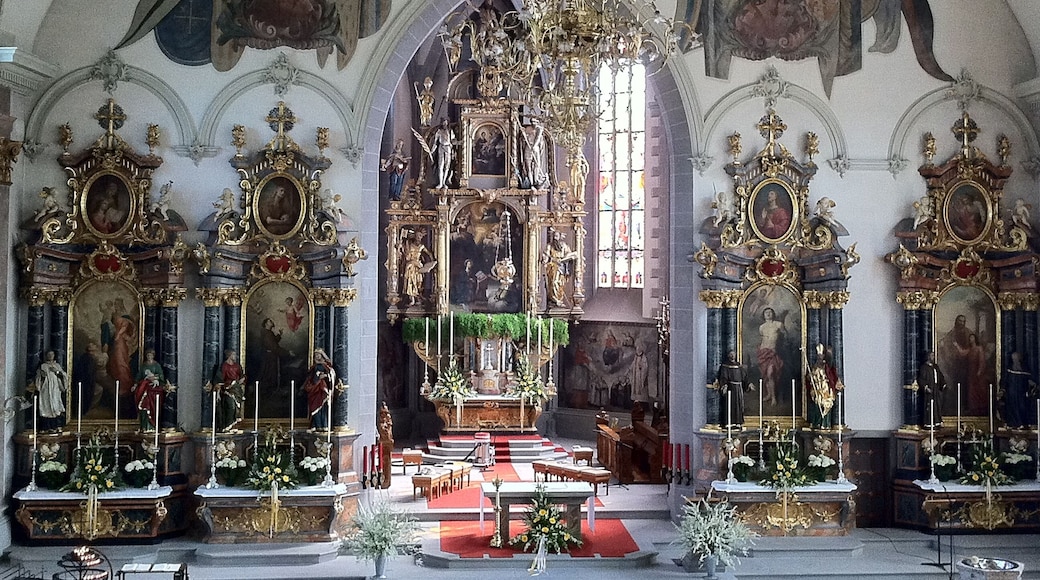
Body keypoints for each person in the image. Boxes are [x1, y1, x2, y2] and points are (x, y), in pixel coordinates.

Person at [806, 344, 841, 429]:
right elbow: (810, 377)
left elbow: (831, 375)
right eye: (818, 357)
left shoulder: (826, 367)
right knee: (817, 404)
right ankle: (817, 422)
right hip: (818, 388)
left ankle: (825, 424)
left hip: (825, 388)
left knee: (826, 404)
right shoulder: (815, 367)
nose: (820, 359)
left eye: (821, 357)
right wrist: (810, 376)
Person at [107, 298, 136, 402]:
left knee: (121, 362)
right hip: (116, 341)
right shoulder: (114, 314)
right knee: (114, 362)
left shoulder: (125, 316)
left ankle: (125, 385)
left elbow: (125, 326)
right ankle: (118, 383)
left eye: (117, 304)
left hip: (121, 341)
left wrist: (118, 335)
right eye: (115, 304)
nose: (116, 306)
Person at [541, 228, 577, 307]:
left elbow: (569, 254)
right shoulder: (550, 246)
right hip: (553, 267)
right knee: (554, 282)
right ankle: (554, 299)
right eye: (554, 236)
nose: (555, 238)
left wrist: (567, 257)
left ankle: (559, 299)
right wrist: (545, 259)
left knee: (560, 283)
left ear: (560, 237)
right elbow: (546, 256)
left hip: (562, 267)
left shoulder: (564, 246)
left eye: (556, 236)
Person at [212, 349, 245, 432]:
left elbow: (241, 375)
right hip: (228, 390)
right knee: (231, 406)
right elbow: (220, 379)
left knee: (237, 408)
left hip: (237, 390)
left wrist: (242, 379)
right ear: (229, 356)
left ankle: (234, 426)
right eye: (233, 355)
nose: (235, 356)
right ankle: (227, 425)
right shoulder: (224, 366)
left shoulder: (237, 366)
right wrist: (220, 385)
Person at [757, 307, 784, 407]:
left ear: (773, 314)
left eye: (770, 312)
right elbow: (762, 339)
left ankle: (773, 398)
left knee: (770, 373)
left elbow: (784, 336)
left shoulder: (778, 324)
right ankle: (769, 394)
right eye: (766, 312)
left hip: (773, 352)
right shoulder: (761, 327)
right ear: (763, 315)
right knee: (765, 375)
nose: (768, 314)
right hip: (763, 353)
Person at [35, 350, 68, 432]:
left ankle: (55, 426)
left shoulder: (57, 365)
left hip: (55, 390)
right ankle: (45, 427)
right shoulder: (43, 366)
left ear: (54, 355)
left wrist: (57, 372)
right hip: (46, 389)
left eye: (52, 354)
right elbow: (38, 377)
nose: (50, 356)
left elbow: (63, 376)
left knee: (55, 406)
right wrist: (42, 376)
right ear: (46, 356)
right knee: (46, 406)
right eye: (48, 354)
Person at [303, 349, 337, 430]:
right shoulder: (314, 367)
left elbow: (331, 374)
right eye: (316, 355)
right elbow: (310, 378)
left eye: (319, 355)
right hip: (314, 389)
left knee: (323, 407)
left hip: (322, 388)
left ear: (322, 356)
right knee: (315, 407)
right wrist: (317, 378)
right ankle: (316, 425)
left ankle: (324, 424)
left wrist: (325, 376)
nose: (317, 356)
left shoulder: (325, 366)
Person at [717, 350, 751, 427]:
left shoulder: (738, 366)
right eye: (731, 354)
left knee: (739, 405)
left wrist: (748, 384)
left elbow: (744, 377)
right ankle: (729, 422)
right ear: (728, 355)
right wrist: (724, 385)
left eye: (733, 354)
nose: (732, 356)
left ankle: (738, 421)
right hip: (731, 388)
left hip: (738, 388)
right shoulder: (725, 366)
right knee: (730, 404)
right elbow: (723, 377)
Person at [1001, 351, 1035, 429]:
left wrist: (1031, 389)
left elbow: (1030, 382)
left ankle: (1022, 423)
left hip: (1021, 395)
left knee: (1022, 408)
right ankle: (1012, 423)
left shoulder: (1025, 371)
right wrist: (1002, 390)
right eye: (1014, 359)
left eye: (1017, 359)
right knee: (1011, 409)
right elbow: (1004, 382)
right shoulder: (1009, 371)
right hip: (1011, 395)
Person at [134, 350, 166, 432]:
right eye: (148, 355)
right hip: (144, 388)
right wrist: (135, 385)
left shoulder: (156, 365)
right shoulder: (144, 366)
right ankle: (144, 426)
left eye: (150, 355)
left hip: (153, 391)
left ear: (153, 356)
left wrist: (154, 378)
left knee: (152, 407)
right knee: (143, 406)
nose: (149, 357)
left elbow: (161, 375)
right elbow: (139, 376)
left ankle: (152, 426)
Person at [401, 228, 434, 306]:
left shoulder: (422, 246)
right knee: (411, 281)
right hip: (411, 265)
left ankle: (418, 296)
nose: (418, 237)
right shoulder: (410, 245)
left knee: (419, 281)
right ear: (414, 236)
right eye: (417, 235)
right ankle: (412, 299)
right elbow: (406, 254)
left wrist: (432, 260)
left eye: (420, 236)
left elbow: (429, 253)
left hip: (418, 266)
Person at [917, 350, 946, 427]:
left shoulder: (935, 367)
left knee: (937, 405)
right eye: (932, 356)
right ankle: (929, 422)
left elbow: (940, 375)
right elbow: (921, 379)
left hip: (936, 388)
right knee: (929, 406)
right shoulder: (924, 367)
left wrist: (943, 383)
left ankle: (937, 421)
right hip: (930, 389)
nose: (933, 357)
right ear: (928, 357)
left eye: (933, 356)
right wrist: (926, 387)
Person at [519, 120, 546, 188]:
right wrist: (523, 134)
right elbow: (523, 139)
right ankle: (531, 184)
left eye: (535, 122)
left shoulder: (539, 129)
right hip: (528, 147)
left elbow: (538, 138)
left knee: (537, 165)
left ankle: (536, 180)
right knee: (528, 167)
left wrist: (534, 145)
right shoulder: (527, 129)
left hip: (535, 148)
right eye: (532, 122)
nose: (533, 123)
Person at [431, 118, 454, 189]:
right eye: (444, 123)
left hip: (448, 148)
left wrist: (459, 142)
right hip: (441, 147)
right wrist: (432, 151)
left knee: (447, 167)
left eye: (446, 123)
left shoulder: (450, 131)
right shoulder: (439, 131)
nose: (445, 124)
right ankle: (440, 183)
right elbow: (435, 143)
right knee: (440, 166)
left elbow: (453, 141)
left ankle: (444, 182)